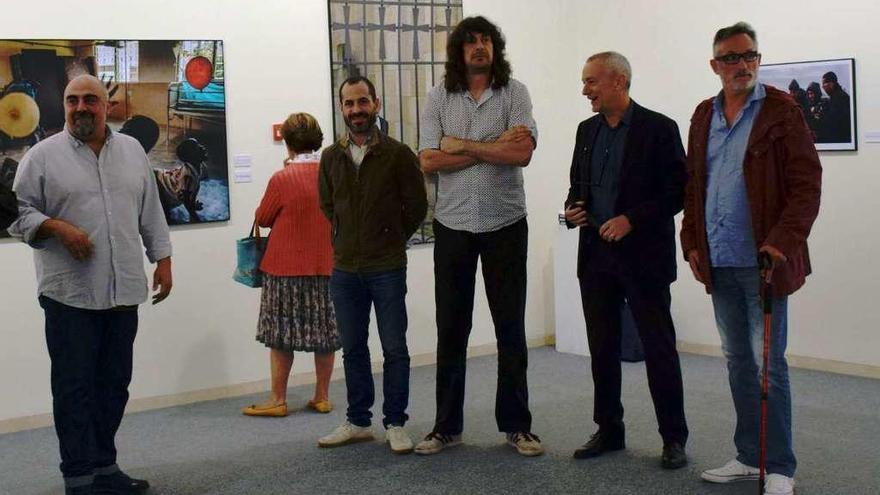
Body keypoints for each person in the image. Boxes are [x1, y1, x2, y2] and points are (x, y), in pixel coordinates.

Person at [8, 74, 173, 495]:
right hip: (69, 295)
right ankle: (79, 476)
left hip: (123, 291)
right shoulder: (41, 157)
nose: (81, 107)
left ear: (106, 105)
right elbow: (18, 213)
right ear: (63, 105)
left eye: (90, 100)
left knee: (114, 384)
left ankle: (105, 465)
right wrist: (56, 226)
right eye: (72, 100)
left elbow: (150, 210)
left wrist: (164, 260)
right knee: (74, 387)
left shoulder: (133, 151)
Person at [680, 22, 822, 495]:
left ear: (757, 60)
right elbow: (693, 186)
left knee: (769, 366)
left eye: (749, 56)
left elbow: (806, 187)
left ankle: (779, 465)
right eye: (731, 58)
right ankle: (748, 456)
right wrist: (692, 243)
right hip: (719, 259)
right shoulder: (704, 115)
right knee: (737, 361)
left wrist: (782, 242)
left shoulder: (782, 111)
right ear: (715, 65)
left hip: (764, 262)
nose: (742, 65)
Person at [415, 15, 543, 457]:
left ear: (495, 47)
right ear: (458, 51)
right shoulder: (438, 97)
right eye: (470, 42)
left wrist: (463, 145)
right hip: (452, 227)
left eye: (485, 40)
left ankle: (517, 425)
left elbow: (522, 152)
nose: (479, 48)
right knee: (451, 329)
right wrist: (492, 147)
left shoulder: (515, 92)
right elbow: (429, 161)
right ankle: (446, 427)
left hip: (506, 224)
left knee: (511, 327)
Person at [562, 51, 689, 468]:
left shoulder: (659, 129)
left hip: (643, 258)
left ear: (618, 81)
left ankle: (673, 438)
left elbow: (677, 192)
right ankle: (609, 428)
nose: (585, 90)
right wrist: (573, 209)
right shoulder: (586, 131)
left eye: (591, 82)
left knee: (658, 348)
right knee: (602, 347)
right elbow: (576, 184)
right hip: (596, 256)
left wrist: (631, 219)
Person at [317, 76, 427, 454]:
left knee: (394, 348)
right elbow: (328, 204)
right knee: (353, 348)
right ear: (342, 108)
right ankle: (359, 420)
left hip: (386, 267)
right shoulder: (332, 156)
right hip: (345, 269)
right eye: (349, 104)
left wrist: (390, 236)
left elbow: (416, 206)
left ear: (376, 104)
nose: (356, 110)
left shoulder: (398, 154)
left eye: (362, 102)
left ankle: (396, 421)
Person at [241, 112, 339, 418]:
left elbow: (264, 217)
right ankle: (322, 396)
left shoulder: (282, 178)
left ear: (288, 142)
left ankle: (278, 399)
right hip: (326, 264)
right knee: (325, 334)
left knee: (281, 335)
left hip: (284, 268)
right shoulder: (332, 175)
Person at [819, 71, 851, 143]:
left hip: (840, 138)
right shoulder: (836, 96)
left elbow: (834, 121)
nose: (822, 86)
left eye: (824, 83)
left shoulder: (840, 98)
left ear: (831, 84)